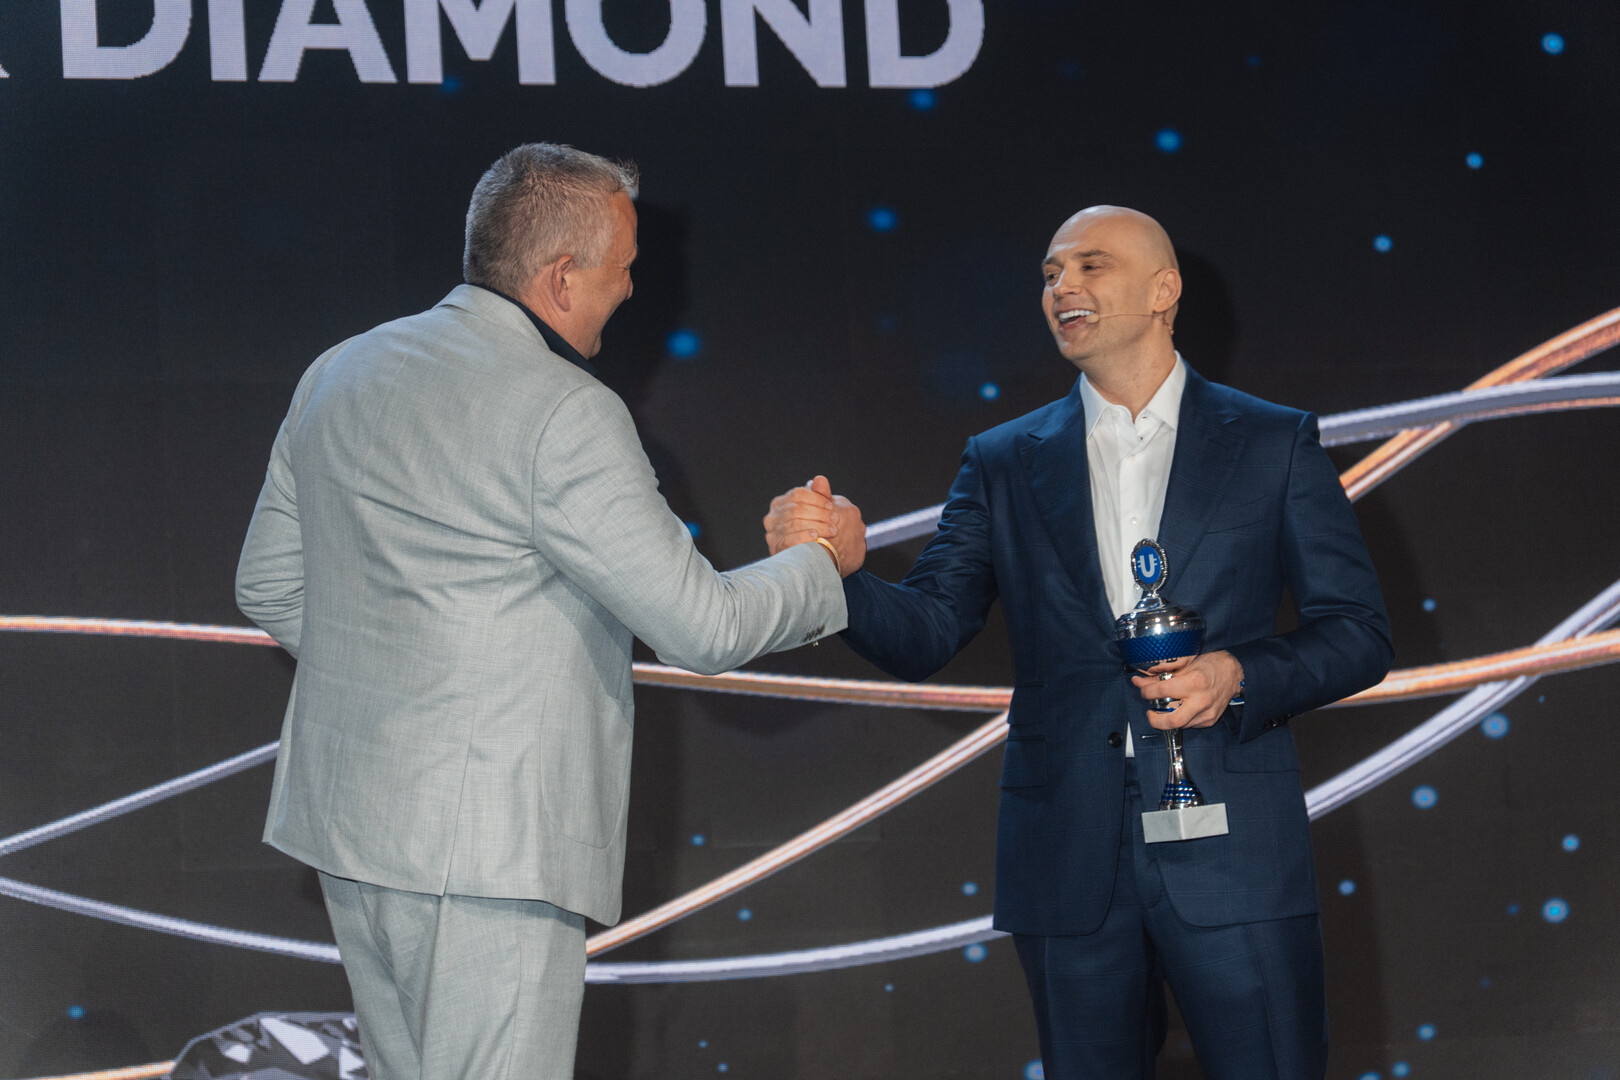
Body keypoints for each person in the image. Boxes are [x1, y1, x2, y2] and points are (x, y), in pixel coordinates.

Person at [235, 143, 866, 1080]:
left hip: (352, 825)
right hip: (493, 849)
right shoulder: (566, 411)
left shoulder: (341, 370)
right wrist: (821, 564)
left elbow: (267, 582)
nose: (631, 288)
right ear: (562, 276)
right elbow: (704, 628)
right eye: (623, 268)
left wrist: (401, 682)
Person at [766, 206, 1392, 1079]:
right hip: (1065, 850)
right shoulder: (1002, 459)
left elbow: (1357, 633)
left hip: (1236, 846)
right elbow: (928, 630)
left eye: (1091, 266)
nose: (1063, 286)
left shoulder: (1270, 440)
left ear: (1164, 290)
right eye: (1051, 274)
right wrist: (831, 573)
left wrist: (1237, 675)